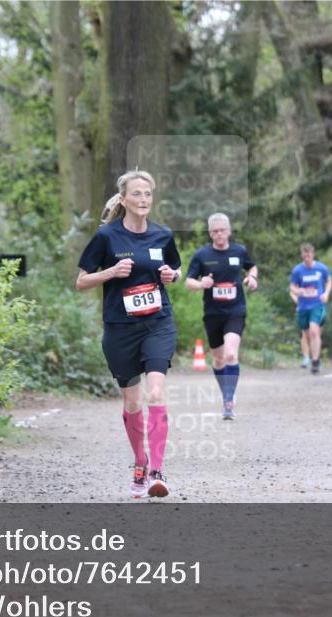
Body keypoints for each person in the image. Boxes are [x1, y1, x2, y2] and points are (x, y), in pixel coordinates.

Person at [76, 170, 182, 498]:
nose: (143, 200)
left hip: (157, 323)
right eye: (136, 194)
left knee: (155, 391)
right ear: (123, 199)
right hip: (120, 328)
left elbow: (176, 270)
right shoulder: (107, 237)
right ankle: (140, 460)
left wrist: (171, 275)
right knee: (132, 399)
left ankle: (157, 472)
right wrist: (110, 272)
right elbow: (81, 281)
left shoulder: (162, 235)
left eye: (147, 194)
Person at [185, 213, 258, 420]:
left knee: (231, 354)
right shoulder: (201, 255)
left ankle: (228, 400)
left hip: (235, 311)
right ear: (210, 233)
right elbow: (189, 281)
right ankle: (226, 392)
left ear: (229, 231)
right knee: (217, 359)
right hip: (213, 314)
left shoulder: (239, 251)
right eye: (215, 231)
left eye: (222, 230)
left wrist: (252, 278)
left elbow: (251, 266)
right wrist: (201, 284)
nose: (219, 234)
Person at [289, 243, 331, 374]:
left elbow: (329, 280)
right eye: (304, 255)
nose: (307, 258)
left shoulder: (321, 268)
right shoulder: (298, 270)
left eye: (309, 255)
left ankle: (315, 361)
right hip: (303, 306)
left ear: (313, 255)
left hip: (317, 304)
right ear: (302, 255)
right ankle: (312, 356)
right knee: (307, 335)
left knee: (314, 331)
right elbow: (292, 286)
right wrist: (298, 291)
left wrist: (326, 293)